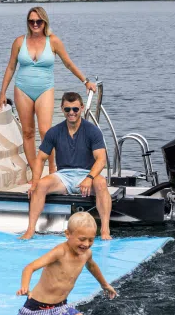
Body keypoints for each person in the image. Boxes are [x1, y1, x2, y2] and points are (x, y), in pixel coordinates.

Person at [0, 6, 99, 180]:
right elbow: (11, 67)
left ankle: (52, 169)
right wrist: (2, 93)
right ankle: (35, 172)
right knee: (28, 132)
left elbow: (68, 63)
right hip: (22, 88)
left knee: (46, 132)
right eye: (31, 21)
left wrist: (85, 81)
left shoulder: (53, 41)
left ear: (44, 22)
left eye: (38, 21)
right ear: (28, 23)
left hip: (45, 88)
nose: (35, 24)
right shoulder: (19, 42)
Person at [22, 92, 112, 240]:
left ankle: (104, 231)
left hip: (87, 173)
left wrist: (89, 178)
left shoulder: (92, 131)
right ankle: (30, 230)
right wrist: (34, 183)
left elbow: (101, 159)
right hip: (63, 176)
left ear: (81, 108)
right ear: (62, 109)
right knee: (41, 185)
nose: (71, 113)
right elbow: (40, 159)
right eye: (67, 109)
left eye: (75, 109)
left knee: (101, 182)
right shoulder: (54, 132)